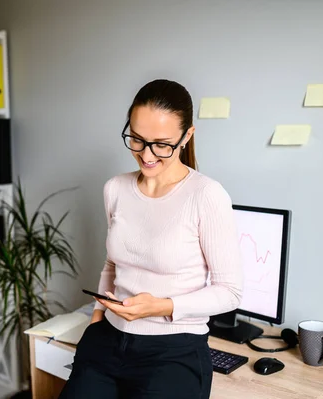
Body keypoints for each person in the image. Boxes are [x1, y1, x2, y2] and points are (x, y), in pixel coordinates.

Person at [59, 79, 243, 399]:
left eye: (162, 144)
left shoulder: (207, 196)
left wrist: (162, 306)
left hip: (172, 352)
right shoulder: (115, 188)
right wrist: (97, 318)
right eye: (137, 139)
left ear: (187, 136)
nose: (146, 155)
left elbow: (230, 292)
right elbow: (113, 263)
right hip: (107, 340)